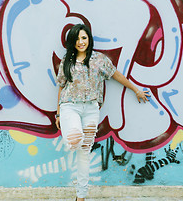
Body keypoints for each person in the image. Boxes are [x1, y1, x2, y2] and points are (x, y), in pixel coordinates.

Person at [56, 24, 150, 201]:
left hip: (91, 109)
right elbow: (61, 86)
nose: (80, 42)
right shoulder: (67, 60)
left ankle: (80, 196)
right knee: (75, 140)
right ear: (72, 42)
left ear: (89, 39)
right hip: (70, 106)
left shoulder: (99, 59)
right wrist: (58, 113)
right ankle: (71, 139)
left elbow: (116, 75)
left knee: (84, 153)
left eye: (84, 38)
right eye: (77, 39)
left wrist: (136, 89)